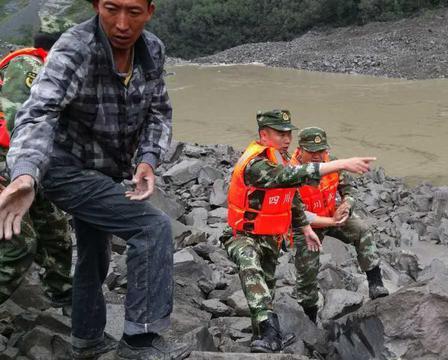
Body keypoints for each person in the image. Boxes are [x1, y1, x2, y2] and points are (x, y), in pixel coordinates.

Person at [0, 0, 190, 358]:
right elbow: (39, 111)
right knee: (152, 228)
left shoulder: (152, 50)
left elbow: (158, 111)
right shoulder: (74, 48)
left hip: (105, 168)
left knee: (94, 252)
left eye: (133, 12)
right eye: (110, 9)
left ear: (150, 11)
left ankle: (86, 338)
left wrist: (148, 158)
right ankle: (139, 341)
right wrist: (25, 174)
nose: (121, 23)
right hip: (62, 168)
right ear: (95, 6)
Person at [225, 109, 376, 353]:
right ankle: (270, 331)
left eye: (289, 134)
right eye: (280, 133)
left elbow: (291, 197)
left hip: (271, 236)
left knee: (267, 287)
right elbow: (287, 177)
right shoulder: (257, 163)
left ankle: (262, 339)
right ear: (264, 134)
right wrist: (341, 163)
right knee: (250, 267)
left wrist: (304, 227)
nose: (287, 138)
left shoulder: (279, 156)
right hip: (244, 234)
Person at [0, 16, 74, 309]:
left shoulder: (52, 70)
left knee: (55, 229)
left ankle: (61, 291)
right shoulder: (28, 67)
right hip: (10, 161)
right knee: (19, 243)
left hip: (30, 163)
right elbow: (16, 122)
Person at [290, 127, 389, 323]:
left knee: (361, 229)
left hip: (330, 214)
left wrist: (346, 205)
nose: (318, 156)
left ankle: (375, 284)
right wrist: (332, 221)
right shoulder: (290, 172)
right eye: (312, 151)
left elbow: (348, 188)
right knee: (307, 270)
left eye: (321, 151)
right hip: (305, 226)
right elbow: (298, 214)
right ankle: (310, 315)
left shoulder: (332, 161)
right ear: (300, 149)